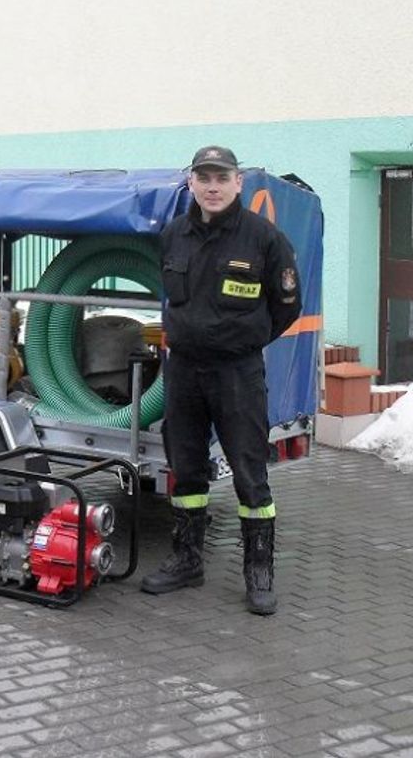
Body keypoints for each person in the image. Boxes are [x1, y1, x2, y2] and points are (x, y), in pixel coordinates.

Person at [141, 145, 301, 615]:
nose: (212, 186)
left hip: (237, 372)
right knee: (186, 468)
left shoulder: (264, 239)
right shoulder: (174, 235)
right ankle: (187, 560)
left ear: (238, 183)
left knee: (250, 474)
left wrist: (245, 339)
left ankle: (259, 572)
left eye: (221, 177)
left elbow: (287, 305)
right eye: (203, 177)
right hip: (185, 369)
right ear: (191, 182)